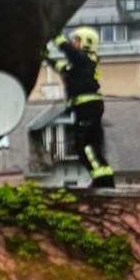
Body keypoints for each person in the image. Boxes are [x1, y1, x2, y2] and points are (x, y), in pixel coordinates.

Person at [45, 27, 115, 189]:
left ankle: (103, 181)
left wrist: (56, 36)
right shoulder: (81, 64)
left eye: (77, 40)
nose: (74, 43)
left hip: (87, 107)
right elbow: (63, 67)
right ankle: (102, 178)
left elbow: (70, 52)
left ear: (86, 43)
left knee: (86, 146)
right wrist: (46, 58)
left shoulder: (85, 58)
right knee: (86, 146)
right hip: (85, 108)